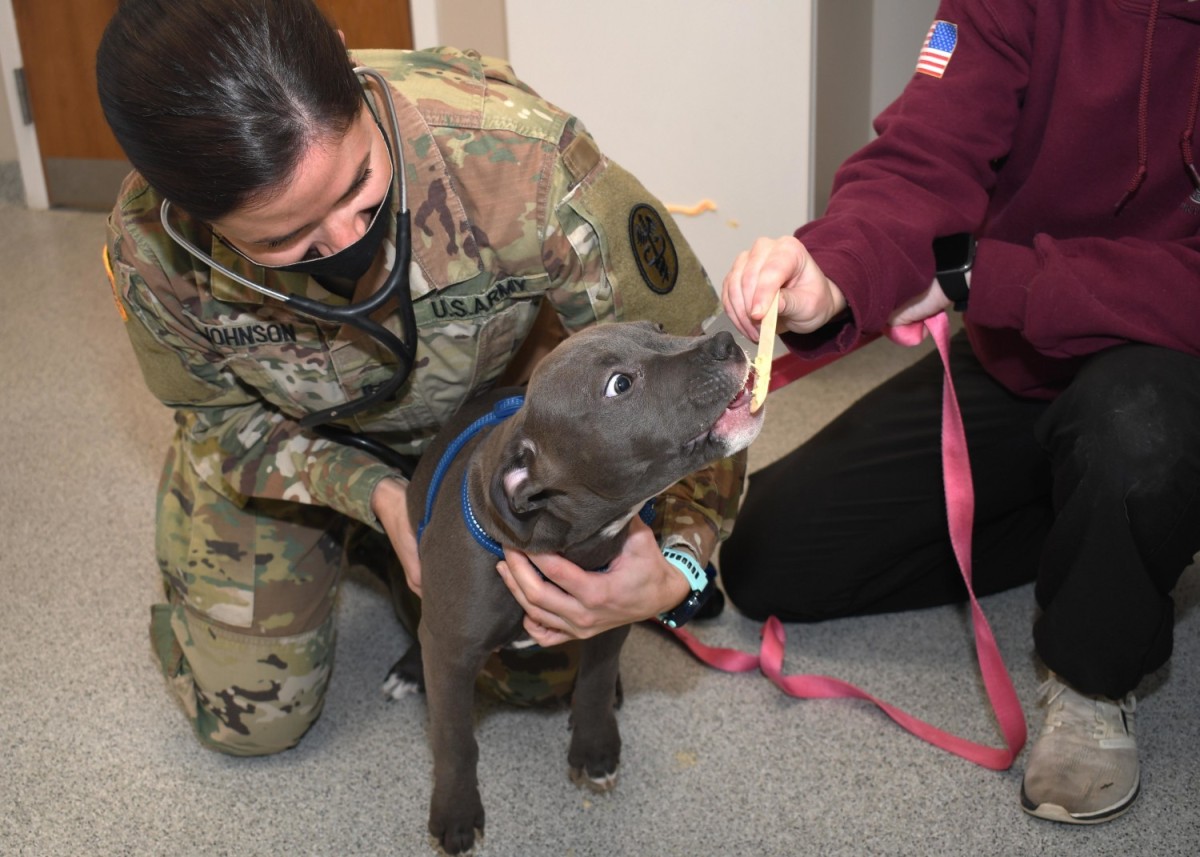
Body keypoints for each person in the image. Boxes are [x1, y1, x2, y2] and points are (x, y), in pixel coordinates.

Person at [97, 0, 744, 757]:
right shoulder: (152, 255)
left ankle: (402, 564)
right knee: (253, 716)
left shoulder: (528, 162)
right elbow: (218, 426)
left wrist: (679, 562)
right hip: (294, 458)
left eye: (359, 182)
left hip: (489, 446)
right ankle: (373, 544)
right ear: (189, 213)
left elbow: (702, 370)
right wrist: (377, 496)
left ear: (346, 63)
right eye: (284, 238)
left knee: (541, 667)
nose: (346, 241)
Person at [720, 0, 1200, 825]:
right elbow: (922, 156)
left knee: (1137, 438)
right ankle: (1108, 523)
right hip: (1022, 355)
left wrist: (990, 279)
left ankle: (1091, 675)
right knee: (771, 557)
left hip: (1164, 366)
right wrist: (831, 272)